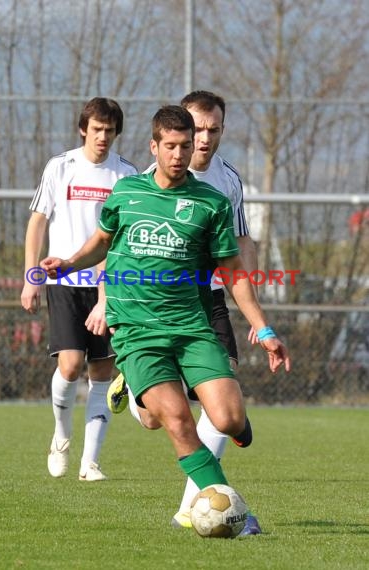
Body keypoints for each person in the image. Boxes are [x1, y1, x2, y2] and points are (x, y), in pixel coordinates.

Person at [40, 106, 290, 520]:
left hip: (191, 326)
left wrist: (264, 329)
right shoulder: (127, 193)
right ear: (154, 146)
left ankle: (150, 402)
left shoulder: (211, 202)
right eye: (170, 146)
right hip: (137, 330)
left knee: (227, 419)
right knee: (175, 420)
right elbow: (103, 241)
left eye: (185, 146)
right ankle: (232, 512)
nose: (179, 154)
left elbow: (232, 272)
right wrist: (67, 264)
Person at [109, 91, 261, 534]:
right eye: (197, 130)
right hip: (150, 307)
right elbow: (118, 249)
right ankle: (139, 394)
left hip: (207, 299)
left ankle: (197, 505)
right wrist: (105, 301)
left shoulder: (228, 181)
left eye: (213, 130)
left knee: (224, 410)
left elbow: (241, 240)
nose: (203, 140)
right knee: (163, 417)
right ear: (169, 138)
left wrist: (252, 303)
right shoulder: (143, 183)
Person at [20, 97, 137, 481]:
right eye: (97, 129)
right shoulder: (61, 166)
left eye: (110, 130)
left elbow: (121, 238)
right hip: (65, 281)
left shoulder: (125, 175)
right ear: (83, 129)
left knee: (101, 373)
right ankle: (61, 437)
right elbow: (38, 223)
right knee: (70, 366)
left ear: (117, 132)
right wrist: (30, 276)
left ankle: (91, 462)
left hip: (108, 286)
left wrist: (109, 292)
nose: (103, 137)